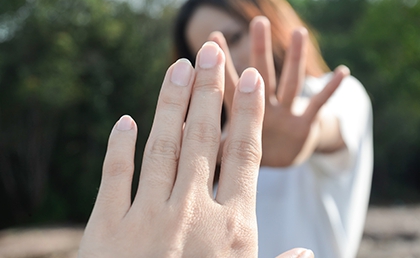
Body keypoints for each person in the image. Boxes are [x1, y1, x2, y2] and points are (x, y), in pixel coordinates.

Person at [172, 0, 373, 258]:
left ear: (271, 21)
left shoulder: (337, 93)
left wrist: (304, 133)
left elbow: (324, 123)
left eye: (235, 38)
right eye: (209, 55)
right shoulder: (211, 143)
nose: (226, 62)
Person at [77, 42, 314, 258]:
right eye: (194, 53)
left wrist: (308, 130)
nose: (226, 61)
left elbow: (334, 121)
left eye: (234, 36)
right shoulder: (194, 155)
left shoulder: (319, 89)